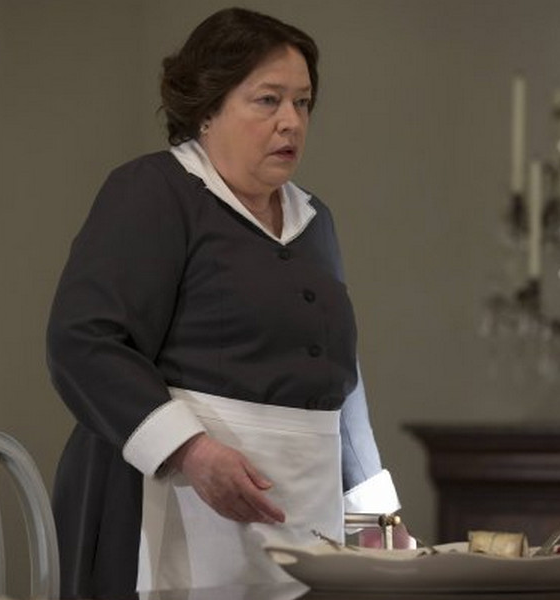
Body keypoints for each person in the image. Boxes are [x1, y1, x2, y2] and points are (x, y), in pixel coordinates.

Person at [47, 7, 406, 599]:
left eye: (303, 103)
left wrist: (377, 519)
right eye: (268, 100)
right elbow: (82, 341)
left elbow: (341, 384)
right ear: (207, 109)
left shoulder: (316, 220)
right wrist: (191, 451)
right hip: (175, 511)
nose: (291, 121)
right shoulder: (154, 191)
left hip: (304, 518)